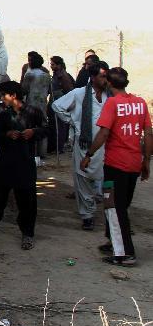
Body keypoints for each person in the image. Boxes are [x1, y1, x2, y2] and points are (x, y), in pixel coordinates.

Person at [81, 67, 151, 266]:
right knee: (122, 204)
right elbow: (148, 133)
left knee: (115, 207)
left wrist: (88, 155)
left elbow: (103, 134)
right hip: (133, 164)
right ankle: (114, 241)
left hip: (115, 165)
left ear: (110, 84)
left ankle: (125, 254)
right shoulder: (140, 103)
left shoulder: (112, 103)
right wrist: (146, 161)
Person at [0, 81, 46, 250]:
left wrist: (33, 132)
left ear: (13, 96)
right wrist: (7, 134)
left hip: (25, 162)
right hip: (5, 162)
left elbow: (46, 130)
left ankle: (27, 233)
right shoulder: (4, 115)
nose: (1, 99)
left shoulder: (33, 112)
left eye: (3, 95)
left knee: (27, 200)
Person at [52, 61, 109, 230]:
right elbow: (57, 106)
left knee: (106, 179)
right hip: (85, 143)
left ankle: (109, 213)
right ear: (92, 77)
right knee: (82, 179)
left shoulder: (110, 96)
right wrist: (73, 122)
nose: (106, 79)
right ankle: (87, 215)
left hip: (106, 145)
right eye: (102, 76)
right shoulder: (79, 93)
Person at [21, 52, 52, 158]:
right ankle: (42, 153)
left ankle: (32, 153)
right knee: (42, 126)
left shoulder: (29, 74)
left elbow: (24, 90)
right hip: (43, 104)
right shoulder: (46, 75)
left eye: (30, 60)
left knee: (31, 127)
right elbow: (49, 91)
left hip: (31, 105)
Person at [48, 55, 76, 154]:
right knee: (55, 126)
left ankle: (59, 147)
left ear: (59, 65)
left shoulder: (63, 76)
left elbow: (70, 92)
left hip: (61, 104)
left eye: (53, 64)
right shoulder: (56, 75)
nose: (51, 66)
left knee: (60, 126)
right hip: (55, 103)